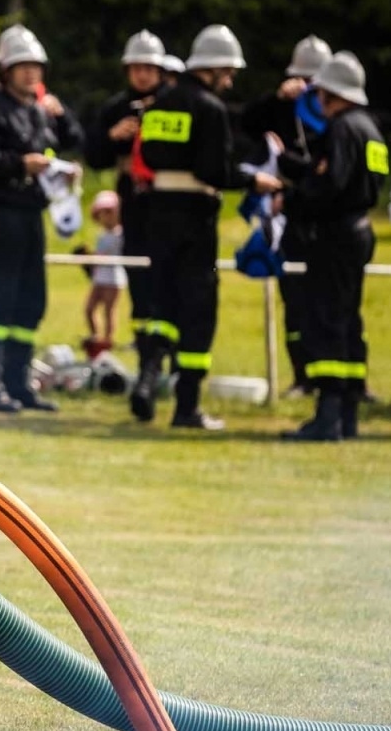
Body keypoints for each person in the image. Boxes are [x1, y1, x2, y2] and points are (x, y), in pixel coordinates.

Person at [132, 24, 281, 430]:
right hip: (196, 217)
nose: (230, 80)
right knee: (198, 311)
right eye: (228, 72)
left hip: (158, 212)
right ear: (211, 69)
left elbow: (146, 153)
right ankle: (186, 408)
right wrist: (252, 179)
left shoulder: (160, 104)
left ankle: (147, 379)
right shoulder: (210, 108)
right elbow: (213, 169)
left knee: (162, 306)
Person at [0, 24, 82, 413]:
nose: (30, 73)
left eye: (36, 67)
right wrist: (18, 163)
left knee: (29, 299)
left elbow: (75, 141)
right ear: (4, 71)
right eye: (21, 66)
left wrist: (61, 164)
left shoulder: (39, 111)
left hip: (30, 213)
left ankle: (18, 383)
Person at [277, 52, 386, 441]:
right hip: (359, 231)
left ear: (330, 92)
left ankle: (327, 417)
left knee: (326, 320)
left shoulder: (340, 129)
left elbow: (331, 185)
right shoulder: (369, 129)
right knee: (349, 320)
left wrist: (289, 201)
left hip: (335, 236)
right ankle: (348, 416)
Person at [239, 35, 332, 397]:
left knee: (333, 300)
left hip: (324, 215)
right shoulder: (282, 108)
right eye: (304, 80)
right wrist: (277, 99)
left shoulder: (338, 116)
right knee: (294, 299)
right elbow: (247, 123)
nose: (310, 89)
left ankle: (343, 381)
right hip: (288, 214)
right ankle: (302, 377)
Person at [84, 30, 164, 378]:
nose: (143, 74)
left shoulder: (174, 102)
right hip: (133, 206)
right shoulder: (116, 108)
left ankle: (165, 362)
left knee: (170, 287)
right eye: (136, 67)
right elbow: (92, 155)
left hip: (169, 208)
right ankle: (147, 360)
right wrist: (112, 137)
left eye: (149, 67)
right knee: (142, 288)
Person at [83, 190, 125, 357]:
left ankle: (108, 339)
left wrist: (95, 257)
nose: (106, 217)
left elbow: (112, 253)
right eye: (102, 213)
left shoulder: (120, 234)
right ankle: (95, 336)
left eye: (109, 212)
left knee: (109, 310)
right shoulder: (101, 234)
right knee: (89, 308)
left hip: (113, 278)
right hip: (99, 277)